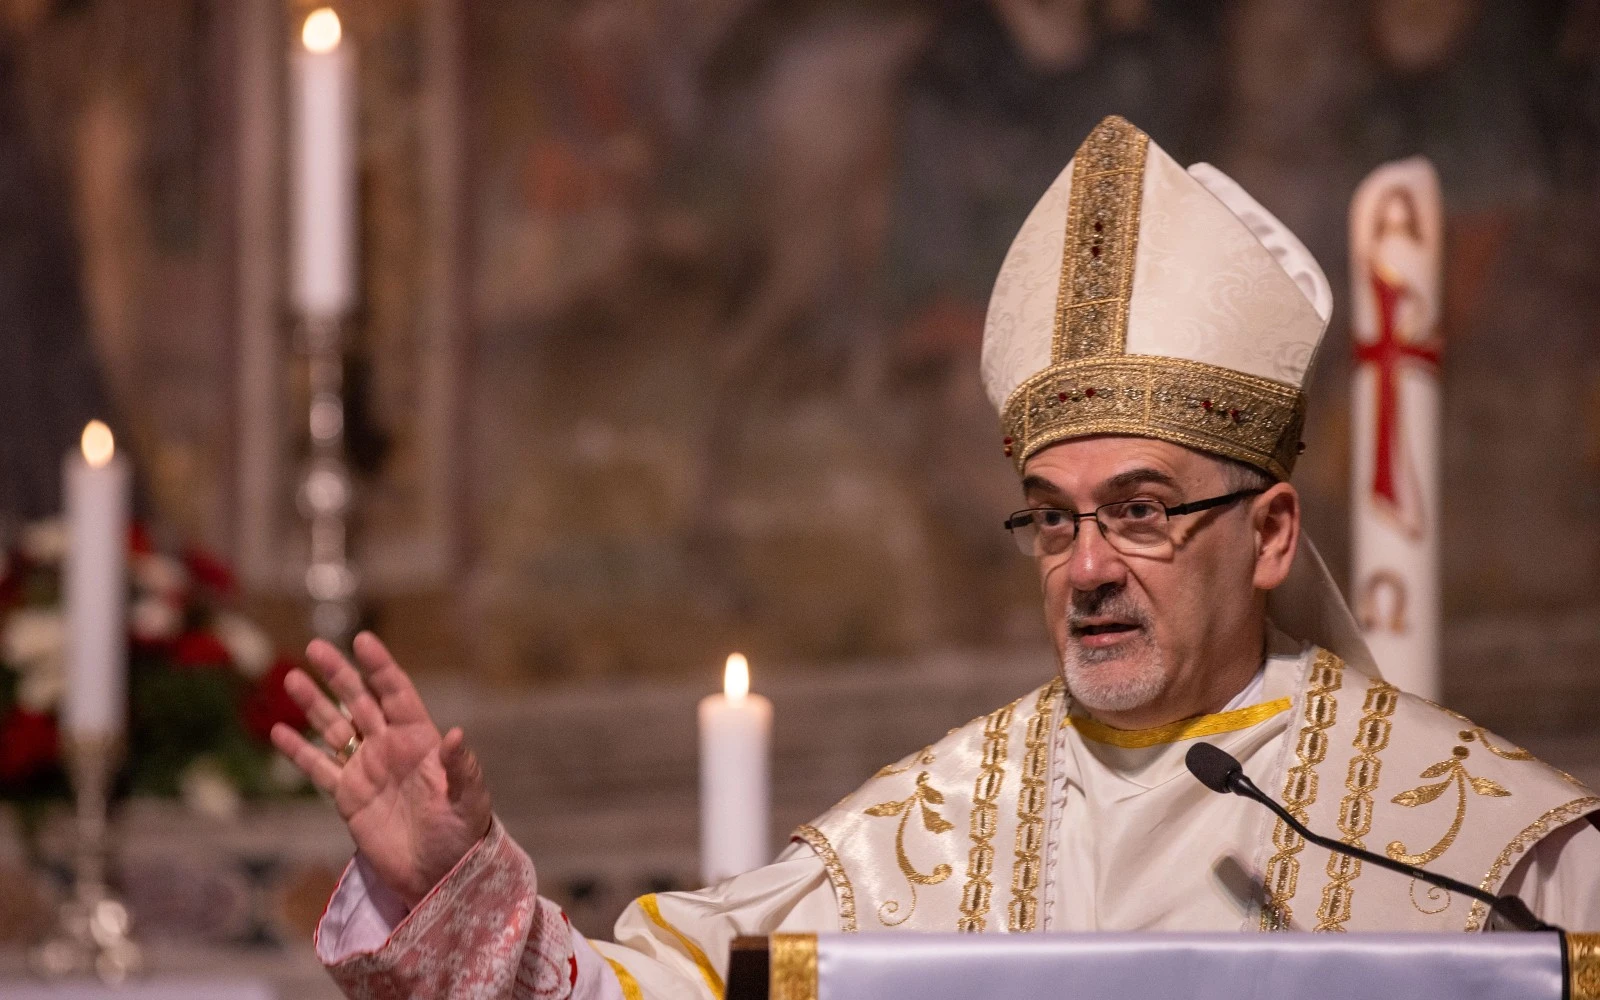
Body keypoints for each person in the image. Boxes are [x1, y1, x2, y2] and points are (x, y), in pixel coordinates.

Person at [272, 116, 1600, 1000]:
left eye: (1140, 509)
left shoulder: (1472, 837)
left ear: (1268, 535)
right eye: (1053, 514)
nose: (1085, 568)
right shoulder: (935, 828)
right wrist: (444, 885)